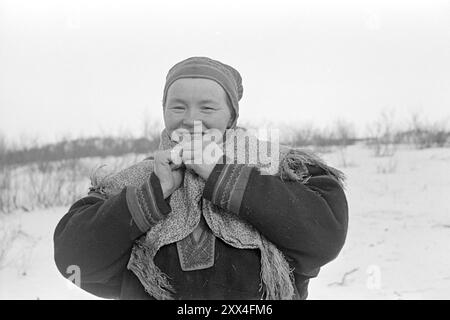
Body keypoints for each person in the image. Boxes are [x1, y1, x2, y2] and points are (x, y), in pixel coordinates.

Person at [53, 57, 348, 300]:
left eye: (207, 107)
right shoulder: (133, 180)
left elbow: (325, 237)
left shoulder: (281, 166)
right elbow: (74, 262)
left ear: (231, 116)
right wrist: (156, 191)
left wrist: (221, 174)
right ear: (164, 111)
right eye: (178, 106)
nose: (191, 118)